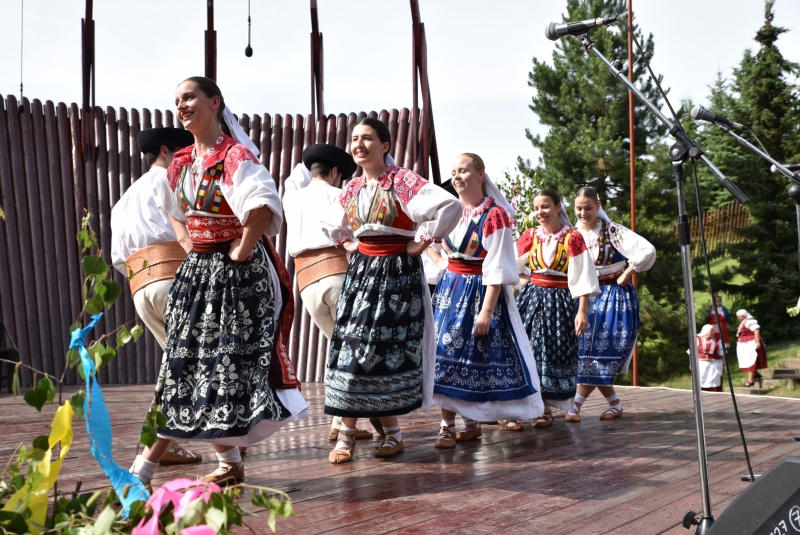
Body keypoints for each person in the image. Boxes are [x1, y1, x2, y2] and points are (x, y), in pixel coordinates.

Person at [130, 76, 308, 486]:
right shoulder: (179, 163)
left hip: (239, 278)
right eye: (177, 100)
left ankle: (148, 471)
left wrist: (240, 250)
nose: (182, 105)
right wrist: (188, 242)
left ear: (214, 102)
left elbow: (261, 206)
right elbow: (173, 209)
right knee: (184, 364)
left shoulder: (234, 155)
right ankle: (212, 464)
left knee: (216, 366)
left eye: (189, 97)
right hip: (198, 273)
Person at [321, 117, 460, 463]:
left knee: (378, 353)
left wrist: (423, 240)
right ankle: (368, 434)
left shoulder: (403, 181)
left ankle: (366, 435)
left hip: (396, 277)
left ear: (385, 147)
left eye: (367, 139)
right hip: (362, 274)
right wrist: (347, 242)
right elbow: (329, 222)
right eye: (354, 139)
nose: (359, 145)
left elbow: (450, 206)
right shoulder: (352, 188)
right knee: (350, 350)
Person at [425, 153, 544, 448]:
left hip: (481, 291)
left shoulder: (494, 215)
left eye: (463, 171)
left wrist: (486, 312)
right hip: (450, 290)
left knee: (473, 358)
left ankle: (469, 421)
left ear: (480, 174)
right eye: (454, 172)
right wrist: (442, 263)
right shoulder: (450, 210)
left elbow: (499, 268)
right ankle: (447, 425)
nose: (457, 177)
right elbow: (426, 239)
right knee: (444, 356)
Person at [112, 127, 205, 468]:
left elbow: (118, 258)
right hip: (177, 280)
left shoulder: (124, 199)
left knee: (177, 365)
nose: (190, 158)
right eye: (184, 152)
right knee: (198, 363)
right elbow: (198, 231)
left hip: (141, 288)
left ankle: (170, 444)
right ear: (166, 152)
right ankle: (227, 446)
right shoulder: (175, 181)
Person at [282, 144, 381, 442]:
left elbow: (294, 177)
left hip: (306, 283)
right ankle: (368, 422)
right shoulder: (340, 195)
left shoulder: (292, 198)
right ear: (336, 172)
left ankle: (341, 421)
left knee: (339, 351)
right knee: (355, 351)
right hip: (337, 274)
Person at [566, 187, 656, 422]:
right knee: (585, 352)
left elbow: (647, 249)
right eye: (579, 208)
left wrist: (628, 271)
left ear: (598, 205)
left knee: (602, 351)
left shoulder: (613, 231)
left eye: (588, 207)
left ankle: (575, 405)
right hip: (583, 298)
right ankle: (614, 404)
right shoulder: (572, 235)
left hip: (613, 296)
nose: (583, 213)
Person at [514, 189, 599, 429]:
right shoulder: (530, 235)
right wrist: (528, 278)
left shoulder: (573, 238)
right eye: (537, 207)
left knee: (553, 351)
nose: (540, 212)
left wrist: (582, 311)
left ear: (558, 207)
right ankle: (526, 405)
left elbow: (584, 277)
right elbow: (510, 263)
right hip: (532, 298)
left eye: (545, 206)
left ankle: (545, 408)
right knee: (528, 350)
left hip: (561, 301)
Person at [735, 309, 767, 387]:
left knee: (751, 360)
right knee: (748, 359)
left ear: (743, 316)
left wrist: (757, 342)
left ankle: (751, 380)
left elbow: (756, 331)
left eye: (739, 317)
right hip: (745, 344)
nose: (738, 318)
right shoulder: (744, 322)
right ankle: (756, 375)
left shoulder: (749, 321)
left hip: (750, 343)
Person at [695, 324, 724, 392]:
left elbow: (722, 354)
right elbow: (692, 353)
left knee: (714, 380)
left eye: (714, 331)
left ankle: (715, 393)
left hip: (714, 364)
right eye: (712, 331)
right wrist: (691, 364)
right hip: (701, 364)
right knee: (701, 379)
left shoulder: (718, 341)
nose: (713, 333)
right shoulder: (697, 340)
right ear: (706, 331)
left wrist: (724, 365)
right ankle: (701, 392)